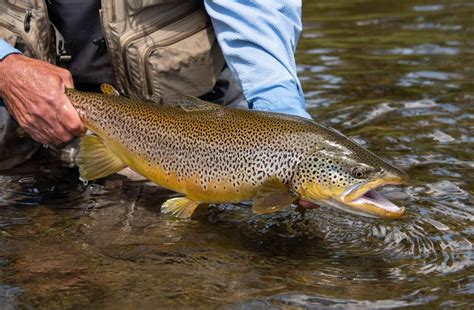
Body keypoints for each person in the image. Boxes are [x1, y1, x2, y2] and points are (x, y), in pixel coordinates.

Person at [0, 0, 311, 170]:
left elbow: (254, 7)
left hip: (181, 134)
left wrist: (282, 114)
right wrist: (6, 67)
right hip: (14, 125)